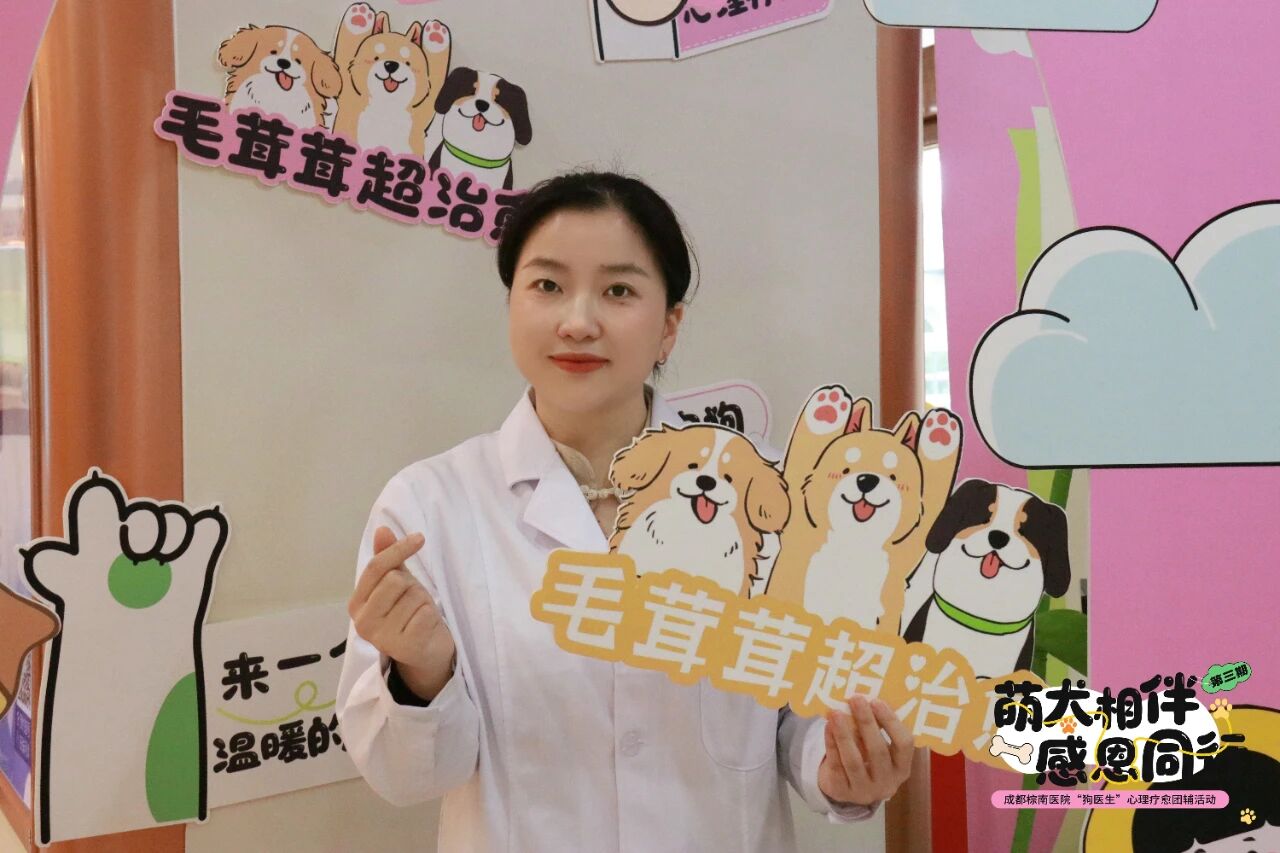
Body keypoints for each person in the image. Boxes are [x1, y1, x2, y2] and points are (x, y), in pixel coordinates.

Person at [335, 171, 915, 852]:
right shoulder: (429, 503)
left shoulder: (770, 498)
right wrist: (421, 675)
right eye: (547, 285)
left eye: (618, 291)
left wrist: (840, 764)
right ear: (512, 305)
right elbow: (407, 775)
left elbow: (801, 715)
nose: (578, 322)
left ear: (669, 327)